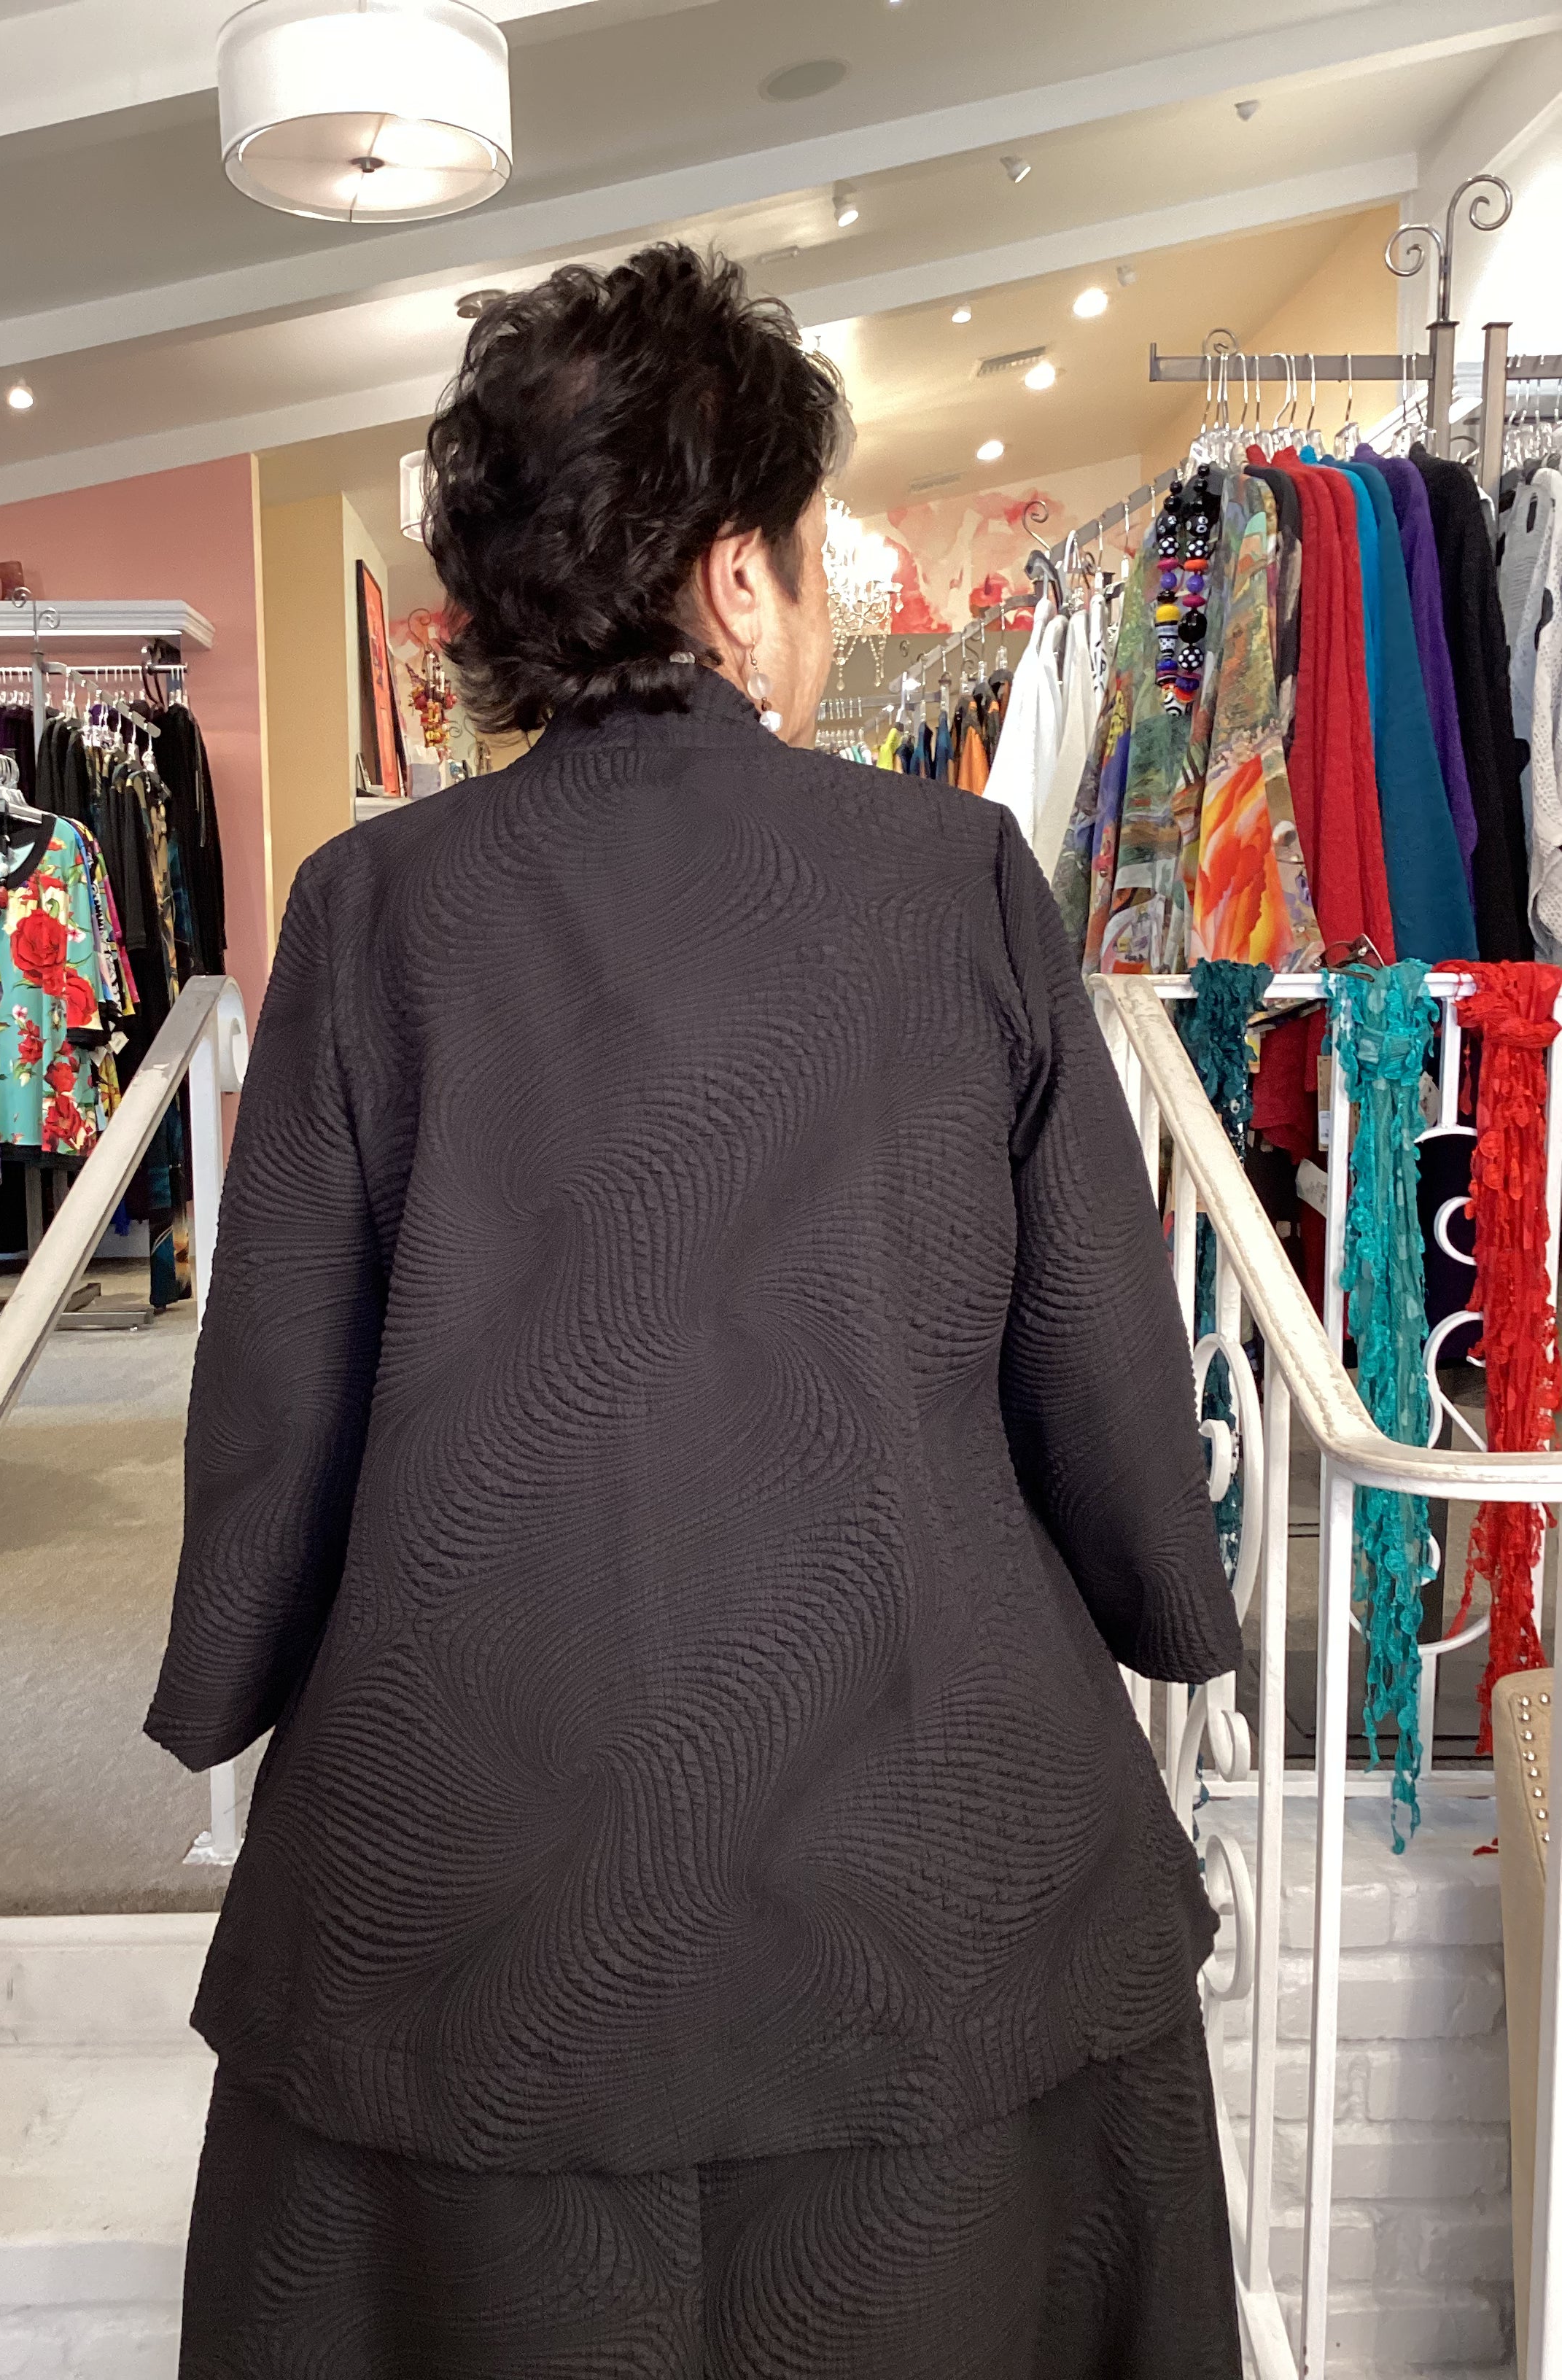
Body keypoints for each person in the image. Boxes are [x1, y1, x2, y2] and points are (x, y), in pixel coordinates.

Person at [148, 244, 1244, 2379]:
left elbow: (278, 1392)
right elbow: (1100, 1363)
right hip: (927, 1852)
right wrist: (1167, 1604)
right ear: (739, 577)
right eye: (812, 552)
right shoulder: (954, 882)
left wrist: (230, 1675)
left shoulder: (370, 912)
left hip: (473, 1862)